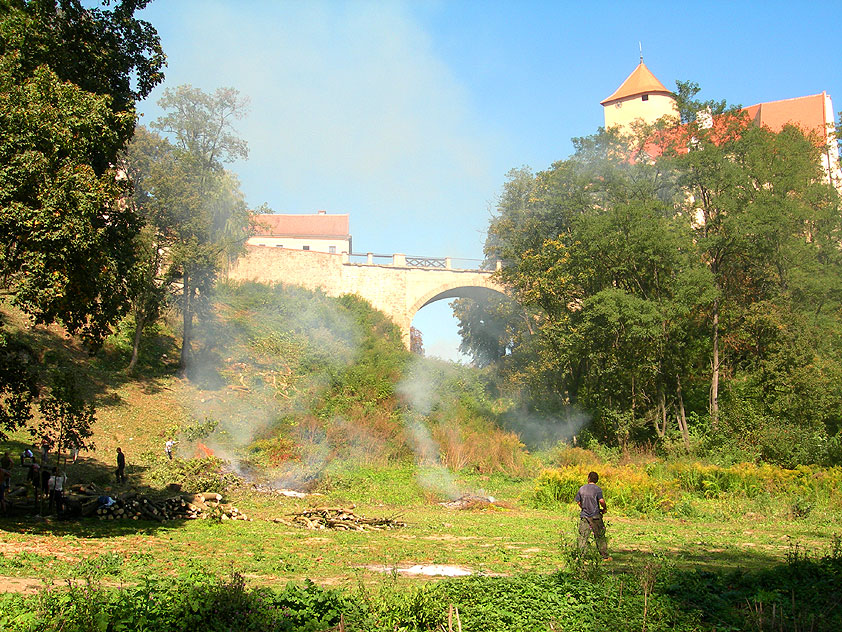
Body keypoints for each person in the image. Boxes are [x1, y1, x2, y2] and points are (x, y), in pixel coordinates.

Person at [575, 471, 610, 561]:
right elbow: (601, 501)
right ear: (597, 480)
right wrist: (604, 508)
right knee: (600, 536)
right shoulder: (597, 489)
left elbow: (578, 501)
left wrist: (583, 507)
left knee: (583, 536)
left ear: (588, 478)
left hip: (584, 516)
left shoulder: (582, 488)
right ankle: (604, 556)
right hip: (595, 516)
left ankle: (580, 556)